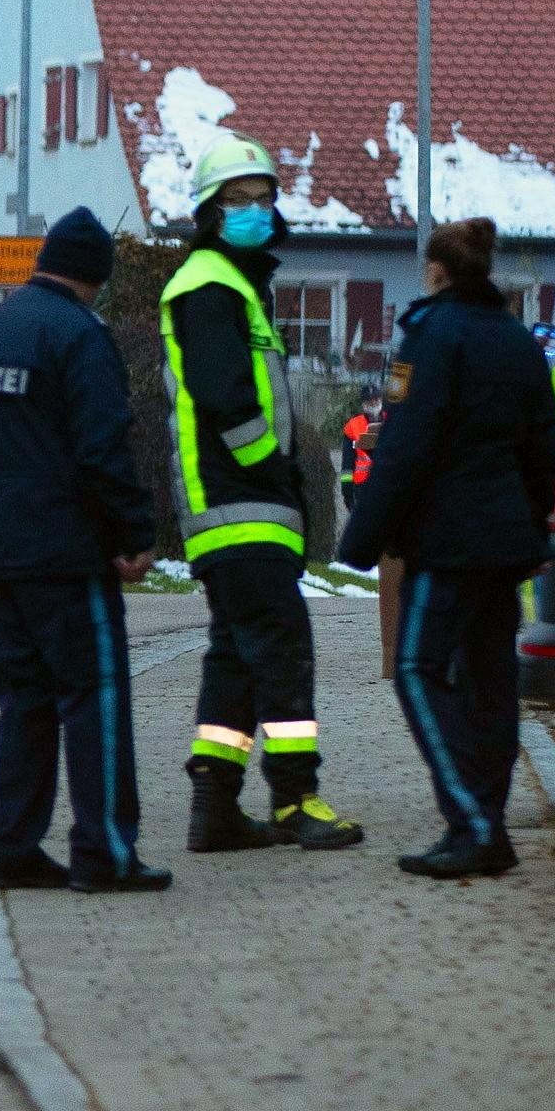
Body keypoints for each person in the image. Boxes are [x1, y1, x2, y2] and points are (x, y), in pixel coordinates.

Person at [0, 206, 172, 892]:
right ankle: (105, 851)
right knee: (94, 699)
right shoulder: (80, 336)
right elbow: (103, 447)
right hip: (67, 554)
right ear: (96, 278)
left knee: (24, 703)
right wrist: (134, 535)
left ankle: (9, 847)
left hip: (2, 552)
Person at [340, 217, 555, 878]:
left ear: (436, 272)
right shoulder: (518, 340)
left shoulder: (429, 338)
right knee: (492, 680)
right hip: (505, 543)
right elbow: (543, 448)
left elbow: (406, 444)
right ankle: (485, 819)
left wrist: (363, 537)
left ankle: (471, 823)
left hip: (449, 541)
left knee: (416, 669)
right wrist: (532, 526)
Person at [165, 139, 361, 852]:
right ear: (208, 212)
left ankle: (213, 808)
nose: (254, 211)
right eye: (237, 200)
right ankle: (295, 799)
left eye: (262, 197)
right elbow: (226, 398)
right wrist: (270, 470)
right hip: (240, 503)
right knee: (282, 651)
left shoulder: (233, 281)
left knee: (238, 656)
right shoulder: (210, 283)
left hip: (235, 510)